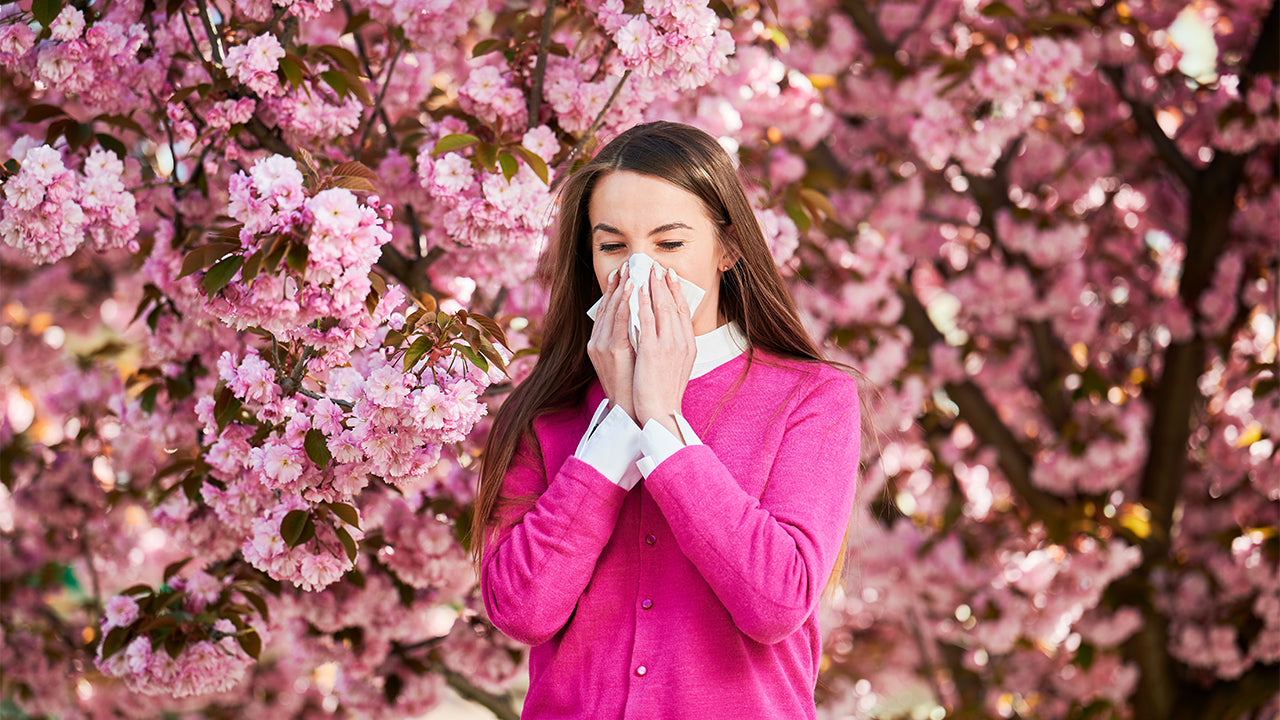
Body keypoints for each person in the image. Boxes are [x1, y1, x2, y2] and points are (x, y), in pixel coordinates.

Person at [471, 121, 861, 719]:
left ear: (728, 248)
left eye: (670, 244)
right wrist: (617, 425)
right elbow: (521, 611)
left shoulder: (812, 397)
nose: (640, 271)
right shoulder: (542, 414)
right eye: (613, 247)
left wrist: (662, 421)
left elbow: (777, 603)